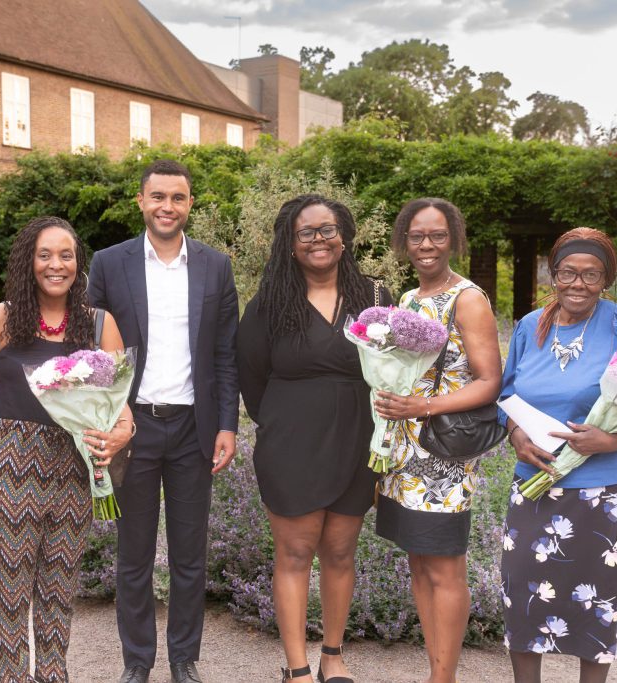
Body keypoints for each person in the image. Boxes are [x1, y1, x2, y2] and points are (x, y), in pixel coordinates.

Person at [87, 159, 239, 683]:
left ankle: (184, 660)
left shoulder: (216, 267)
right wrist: (105, 418)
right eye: (158, 197)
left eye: (177, 198)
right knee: (133, 556)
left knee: (189, 555)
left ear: (189, 204)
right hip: (132, 428)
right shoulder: (109, 264)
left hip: (193, 429)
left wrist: (228, 425)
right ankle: (137, 662)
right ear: (141, 201)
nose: (167, 207)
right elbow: (94, 353)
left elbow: (224, 352)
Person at [0, 216, 132, 682]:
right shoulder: (0, 319)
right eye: (44, 255)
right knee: (11, 587)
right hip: (7, 462)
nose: (56, 265)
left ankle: (54, 675)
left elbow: (120, 406)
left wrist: (121, 434)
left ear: (79, 263)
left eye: (66, 255)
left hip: (74, 467)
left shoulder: (101, 325)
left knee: (59, 585)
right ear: (28, 261)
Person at [237, 194, 392, 683]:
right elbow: (251, 377)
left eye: (328, 230)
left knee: (342, 552)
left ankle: (333, 655)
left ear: (343, 237)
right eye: (307, 233)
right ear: (290, 244)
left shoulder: (376, 298)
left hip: (359, 442)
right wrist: (288, 422)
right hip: (292, 444)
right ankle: (297, 666)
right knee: (296, 553)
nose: (319, 240)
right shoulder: (270, 304)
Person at [497, 227, 617, 683]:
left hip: (603, 493)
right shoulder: (531, 326)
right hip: (533, 484)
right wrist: (514, 433)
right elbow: (506, 394)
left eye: (592, 274)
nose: (578, 283)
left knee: (598, 602)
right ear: (553, 274)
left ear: (606, 278)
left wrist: (616, 441)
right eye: (568, 272)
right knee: (522, 591)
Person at [372, 198, 502, 683]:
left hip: (444, 457)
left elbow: (490, 382)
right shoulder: (407, 300)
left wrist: (421, 407)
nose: (427, 246)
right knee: (419, 566)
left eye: (438, 236)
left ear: (454, 240)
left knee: (446, 569)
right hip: (405, 455)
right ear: (405, 241)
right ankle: (435, 669)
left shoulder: (467, 299)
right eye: (417, 236)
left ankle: (444, 678)